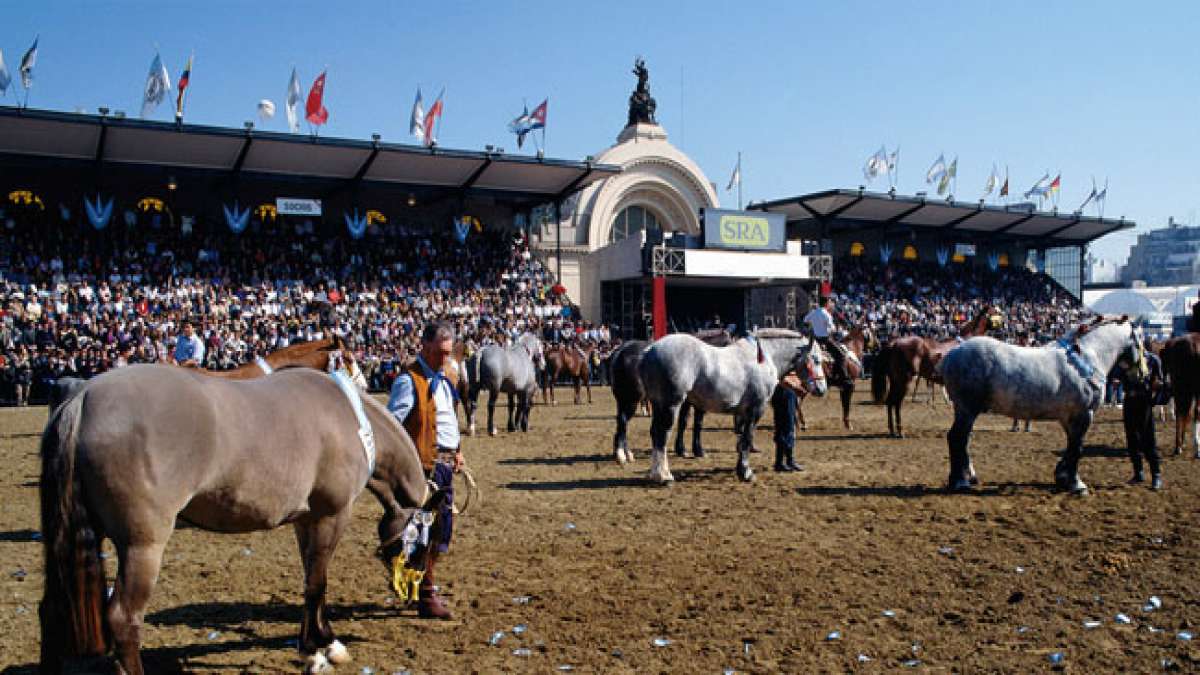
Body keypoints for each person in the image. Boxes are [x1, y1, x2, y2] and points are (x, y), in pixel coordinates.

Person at [386, 321, 463, 619]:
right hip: (423, 468)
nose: (445, 358)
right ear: (425, 346)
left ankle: (417, 585)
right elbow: (392, 427)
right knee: (425, 532)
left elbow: (446, 418)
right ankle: (426, 594)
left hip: (444, 464)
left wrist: (457, 451)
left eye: (448, 353)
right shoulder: (409, 381)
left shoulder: (444, 379)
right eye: (440, 353)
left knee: (441, 531)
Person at [1120, 340, 1164, 490]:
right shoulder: (1125, 361)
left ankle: (1156, 475)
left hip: (1144, 402)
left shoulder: (1153, 360)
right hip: (1129, 401)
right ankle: (1138, 472)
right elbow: (1118, 376)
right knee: (1132, 439)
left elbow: (1161, 382)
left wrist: (1155, 393)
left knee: (1148, 439)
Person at [805, 297, 847, 382]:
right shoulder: (826, 314)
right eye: (830, 302)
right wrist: (835, 329)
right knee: (841, 356)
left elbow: (805, 320)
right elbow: (832, 329)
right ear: (826, 303)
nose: (830, 304)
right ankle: (843, 378)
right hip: (826, 340)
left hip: (815, 341)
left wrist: (814, 325)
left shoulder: (813, 312)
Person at [771, 372, 807, 472]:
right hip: (783, 392)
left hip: (789, 392)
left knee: (790, 428)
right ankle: (780, 462)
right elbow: (781, 378)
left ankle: (789, 461)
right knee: (784, 428)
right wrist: (796, 387)